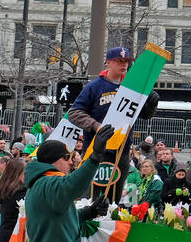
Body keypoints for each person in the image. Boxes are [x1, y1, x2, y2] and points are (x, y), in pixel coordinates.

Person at [67, 46, 159, 202]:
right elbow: (74, 113)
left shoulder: (133, 87)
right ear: (108, 62)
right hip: (95, 149)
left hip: (121, 151)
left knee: (115, 199)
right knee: (91, 197)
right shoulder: (95, 86)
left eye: (126, 61)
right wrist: (96, 126)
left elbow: (145, 115)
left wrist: (151, 103)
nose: (123, 64)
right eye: (119, 61)